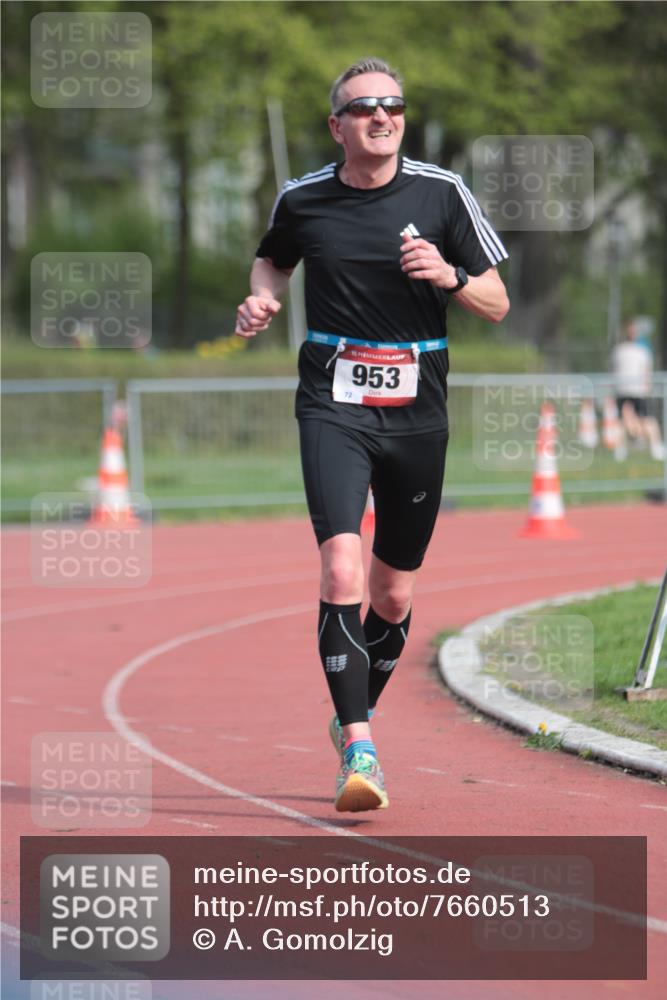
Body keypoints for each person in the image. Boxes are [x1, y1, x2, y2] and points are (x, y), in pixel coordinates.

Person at [235, 57, 510, 812]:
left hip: (418, 407)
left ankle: (350, 714)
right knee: (341, 574)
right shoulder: (304, 198)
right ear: (337, 126)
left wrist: (447, 275)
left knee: (391, 593)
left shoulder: (442, 192)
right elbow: (271, 260)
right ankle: (359, 746)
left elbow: (496, 302)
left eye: (391, 105)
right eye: (362, 108)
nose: (380, 116)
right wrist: (261, 301)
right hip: (333, 400)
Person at [611, 318, 665, 461]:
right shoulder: (619, 350)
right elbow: (615, 370)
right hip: (623, 390)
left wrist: (647, 387)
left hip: (638, 391)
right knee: (621, 422)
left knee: (646, 419)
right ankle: (619, 449)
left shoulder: (642, 351)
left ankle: (656, 447)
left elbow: (646, 371)